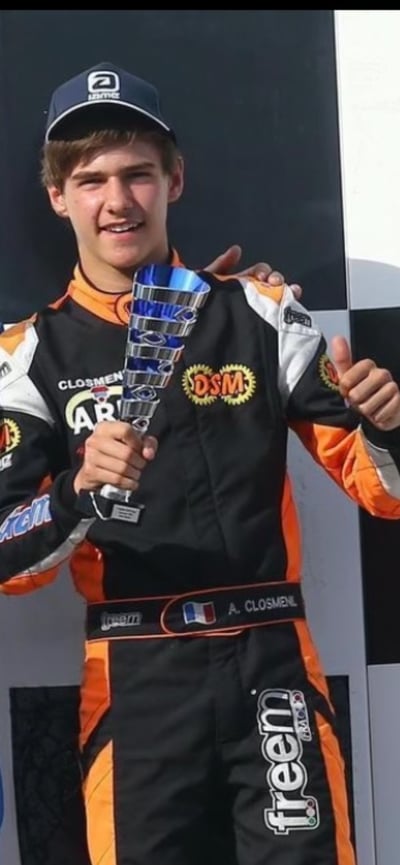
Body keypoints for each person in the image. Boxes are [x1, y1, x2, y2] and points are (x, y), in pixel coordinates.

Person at [0, 61, 400, 865]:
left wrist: (387, 429)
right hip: (134, 677)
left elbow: (379, 490)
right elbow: (6, 554)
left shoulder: (259, 312)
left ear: (174, 181)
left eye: (138, 174)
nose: (118, 201)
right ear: (58, 197)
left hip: (271, 660)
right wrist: (77, 492)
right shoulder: (28, 354)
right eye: (92, 180)